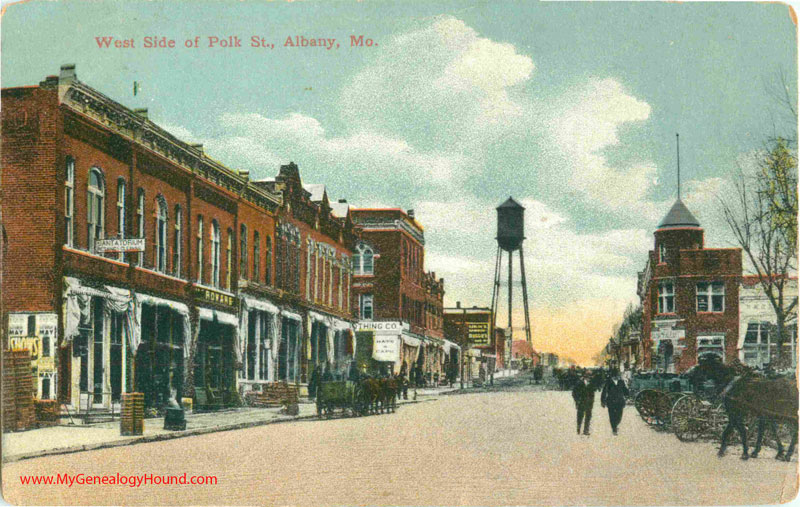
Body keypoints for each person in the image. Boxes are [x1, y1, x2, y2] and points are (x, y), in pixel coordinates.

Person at [601, 369, 629, 435]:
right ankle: (614, 428)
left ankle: (616, 424)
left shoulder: (621, 381)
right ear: (612, 376)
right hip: (611, 401)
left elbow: (624, 389)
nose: (616, 377)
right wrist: (603, 401)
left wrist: (627, 394)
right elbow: (604, 392)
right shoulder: (608, 382)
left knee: (619, 416)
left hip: (620, 401)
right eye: (615, 375)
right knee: (612, 416)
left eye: (617, 375)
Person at [572, 370, 595, 436]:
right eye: (588, 377)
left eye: (590, 377)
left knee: (588, 417)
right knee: (580, 416)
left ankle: (586, 430)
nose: (589, 379)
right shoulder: (579, 383)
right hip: (581, 402)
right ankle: (578, 428)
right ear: (585, 377)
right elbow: (574, 393)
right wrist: (577, 400)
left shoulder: (591, 384)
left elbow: (592, 394)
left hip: (589, 403)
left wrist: (592, 401)